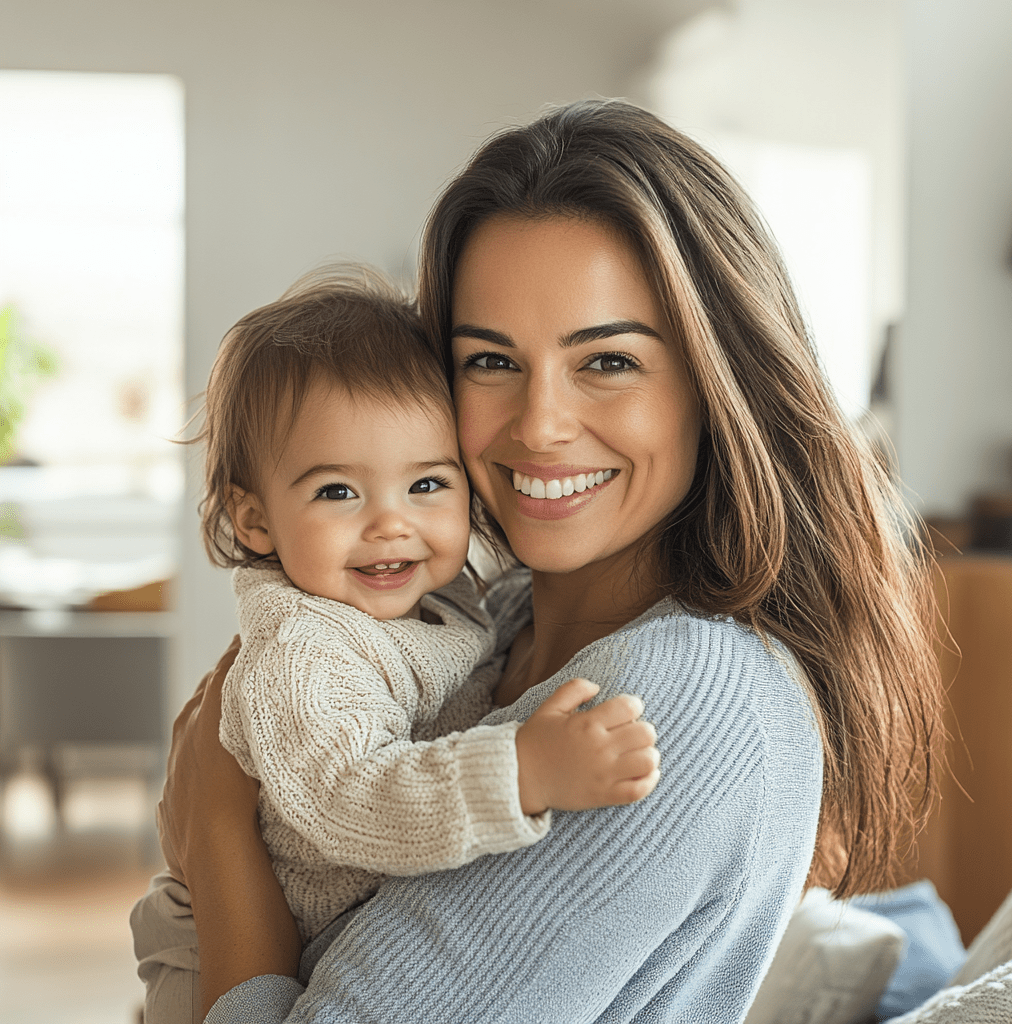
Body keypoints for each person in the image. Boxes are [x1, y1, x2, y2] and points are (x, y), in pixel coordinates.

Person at [158, 99, 945, 1023]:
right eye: (490, 361)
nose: (538, 425)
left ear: (713, 381)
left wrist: (216, 837)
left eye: (606, 361)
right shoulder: (491, 620)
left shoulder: (679, 694)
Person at [131, 266, 659, 1023]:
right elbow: (353, 800)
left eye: (427, 485)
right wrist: (521, 771)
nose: (391, 524)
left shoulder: (439, 596)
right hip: (207, 954)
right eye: (337, 491)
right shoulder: (304, 651)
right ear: (254, 522)